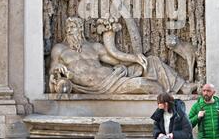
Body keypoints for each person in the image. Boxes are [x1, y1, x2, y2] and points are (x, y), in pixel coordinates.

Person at [49, 17, 186, 95]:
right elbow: (52, 71)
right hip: (94, 87)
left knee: (152, 60)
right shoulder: (60, 49)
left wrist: (135, 58)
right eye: (68, 27)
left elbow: (115, 59)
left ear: (80, 29)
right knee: (145, 85)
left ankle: (182, 87)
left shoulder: (93, 47)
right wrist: (57, 68)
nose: (69, 30)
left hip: (113, 78)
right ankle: (164, 103)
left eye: (73, 27)